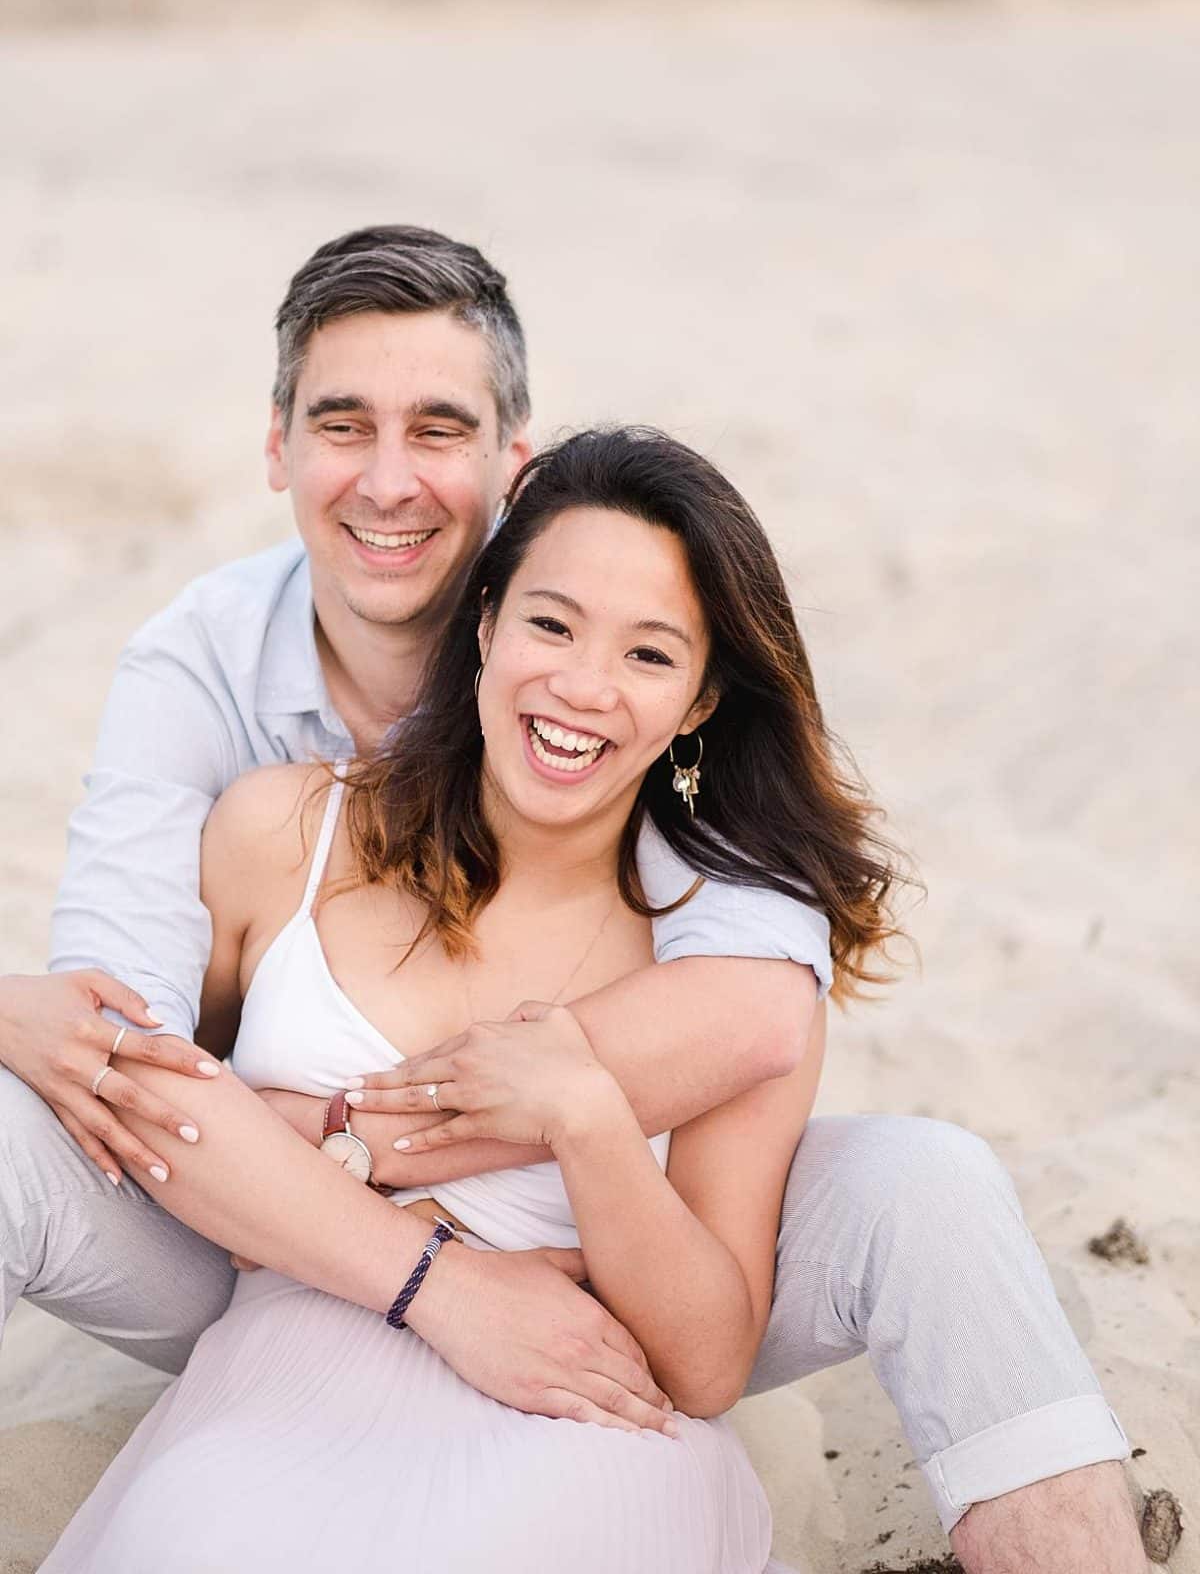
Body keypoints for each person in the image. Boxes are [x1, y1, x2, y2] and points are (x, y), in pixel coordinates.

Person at [0, 227, 1143, 1572]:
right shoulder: (218, 706)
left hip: (590, 1281)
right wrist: (423, 1259)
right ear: (280, 447)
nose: (386, 480)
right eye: (342, 424)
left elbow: (761, 1024)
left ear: (507, 461)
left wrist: (418, 1129)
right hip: (246, 1250)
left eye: (437, 427)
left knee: (929, 1184)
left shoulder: (704, 833)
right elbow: (121, 1053)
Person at [42, 425, 860, 1569]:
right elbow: (163, 1099)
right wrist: (425, 1258)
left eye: (648, 655)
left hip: (585, 1419)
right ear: (483, 627)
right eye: (552, 623)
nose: (582, 687)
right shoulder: (284, 832)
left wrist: (586, 1119)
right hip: (290, 1369)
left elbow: (710, 1359)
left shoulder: (723, 965)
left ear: (698, 705)